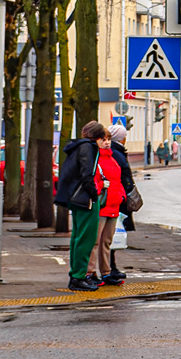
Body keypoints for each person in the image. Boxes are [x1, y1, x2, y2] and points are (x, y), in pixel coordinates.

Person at [54, 121, 108, 292]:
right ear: (98, 138)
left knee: (77, 237)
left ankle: (76, 275)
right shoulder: (90, 148)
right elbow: (87, 174)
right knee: (86, 239)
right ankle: (78, 277)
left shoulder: (76, 146)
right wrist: (95, 195)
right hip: (85, 199)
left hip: (73, 197)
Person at [90, 126, 128, 286]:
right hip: (102, 205)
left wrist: (121, 196)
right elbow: (91, 180)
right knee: (95, 241)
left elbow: (117, 181)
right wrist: (100, 187)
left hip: (113, 205)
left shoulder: (112, 158)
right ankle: (90, 272)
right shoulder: (95, 159)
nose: (106, 143)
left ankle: (106, 272)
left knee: (106, 241)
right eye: (103, 140)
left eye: (108, 140)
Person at [103, 124, 138, 286]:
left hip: (117, 198)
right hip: (116, 200)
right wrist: (128, 193)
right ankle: (109, 269)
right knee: (111, 236)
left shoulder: (115, 152)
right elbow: (122, 177)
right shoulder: (116, 153)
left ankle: (110, 268)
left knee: (111, 235)